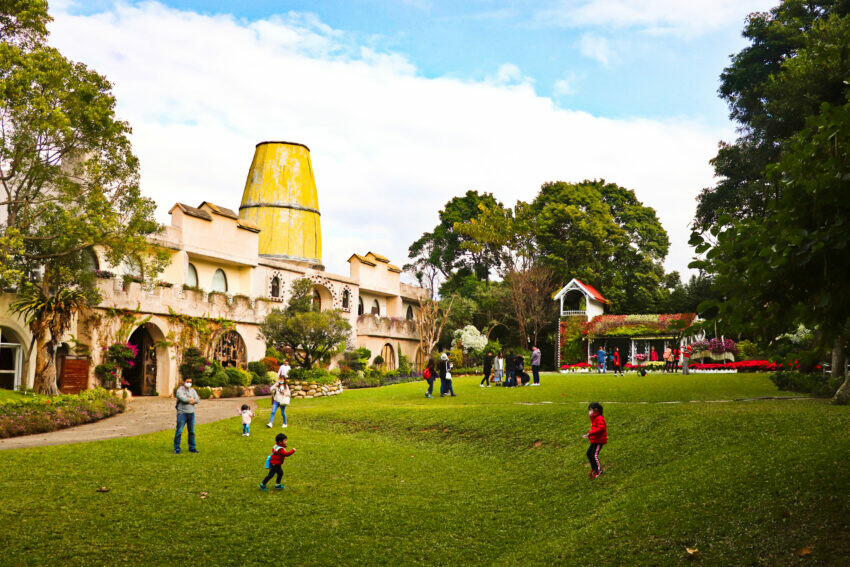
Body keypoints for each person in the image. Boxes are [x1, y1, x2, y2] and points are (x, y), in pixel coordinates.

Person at [174, 377, 200, 454]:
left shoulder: (193, 390)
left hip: (191, 413)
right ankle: (177, 448)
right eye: (187, 381)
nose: (189, 383)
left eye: (190, 382)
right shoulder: (180, 390)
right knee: (179, 431)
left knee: (191, 431)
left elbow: (197, 400)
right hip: (182, 413)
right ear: (184, 382)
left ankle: (192, 447)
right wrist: (190, 399)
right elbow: (182, 399)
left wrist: (191, 400)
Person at [581, 402, 607, 479]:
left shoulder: (599, 418)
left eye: (591, 409)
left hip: (599, 440)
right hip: (595, 439)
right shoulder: (594, 417)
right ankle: (594, 469)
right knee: (589, 453)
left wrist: (590, 433)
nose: (590, 411)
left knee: (594, 455)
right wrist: (589, 434)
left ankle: (599, 471)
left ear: (596, 410)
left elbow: (601, 428)